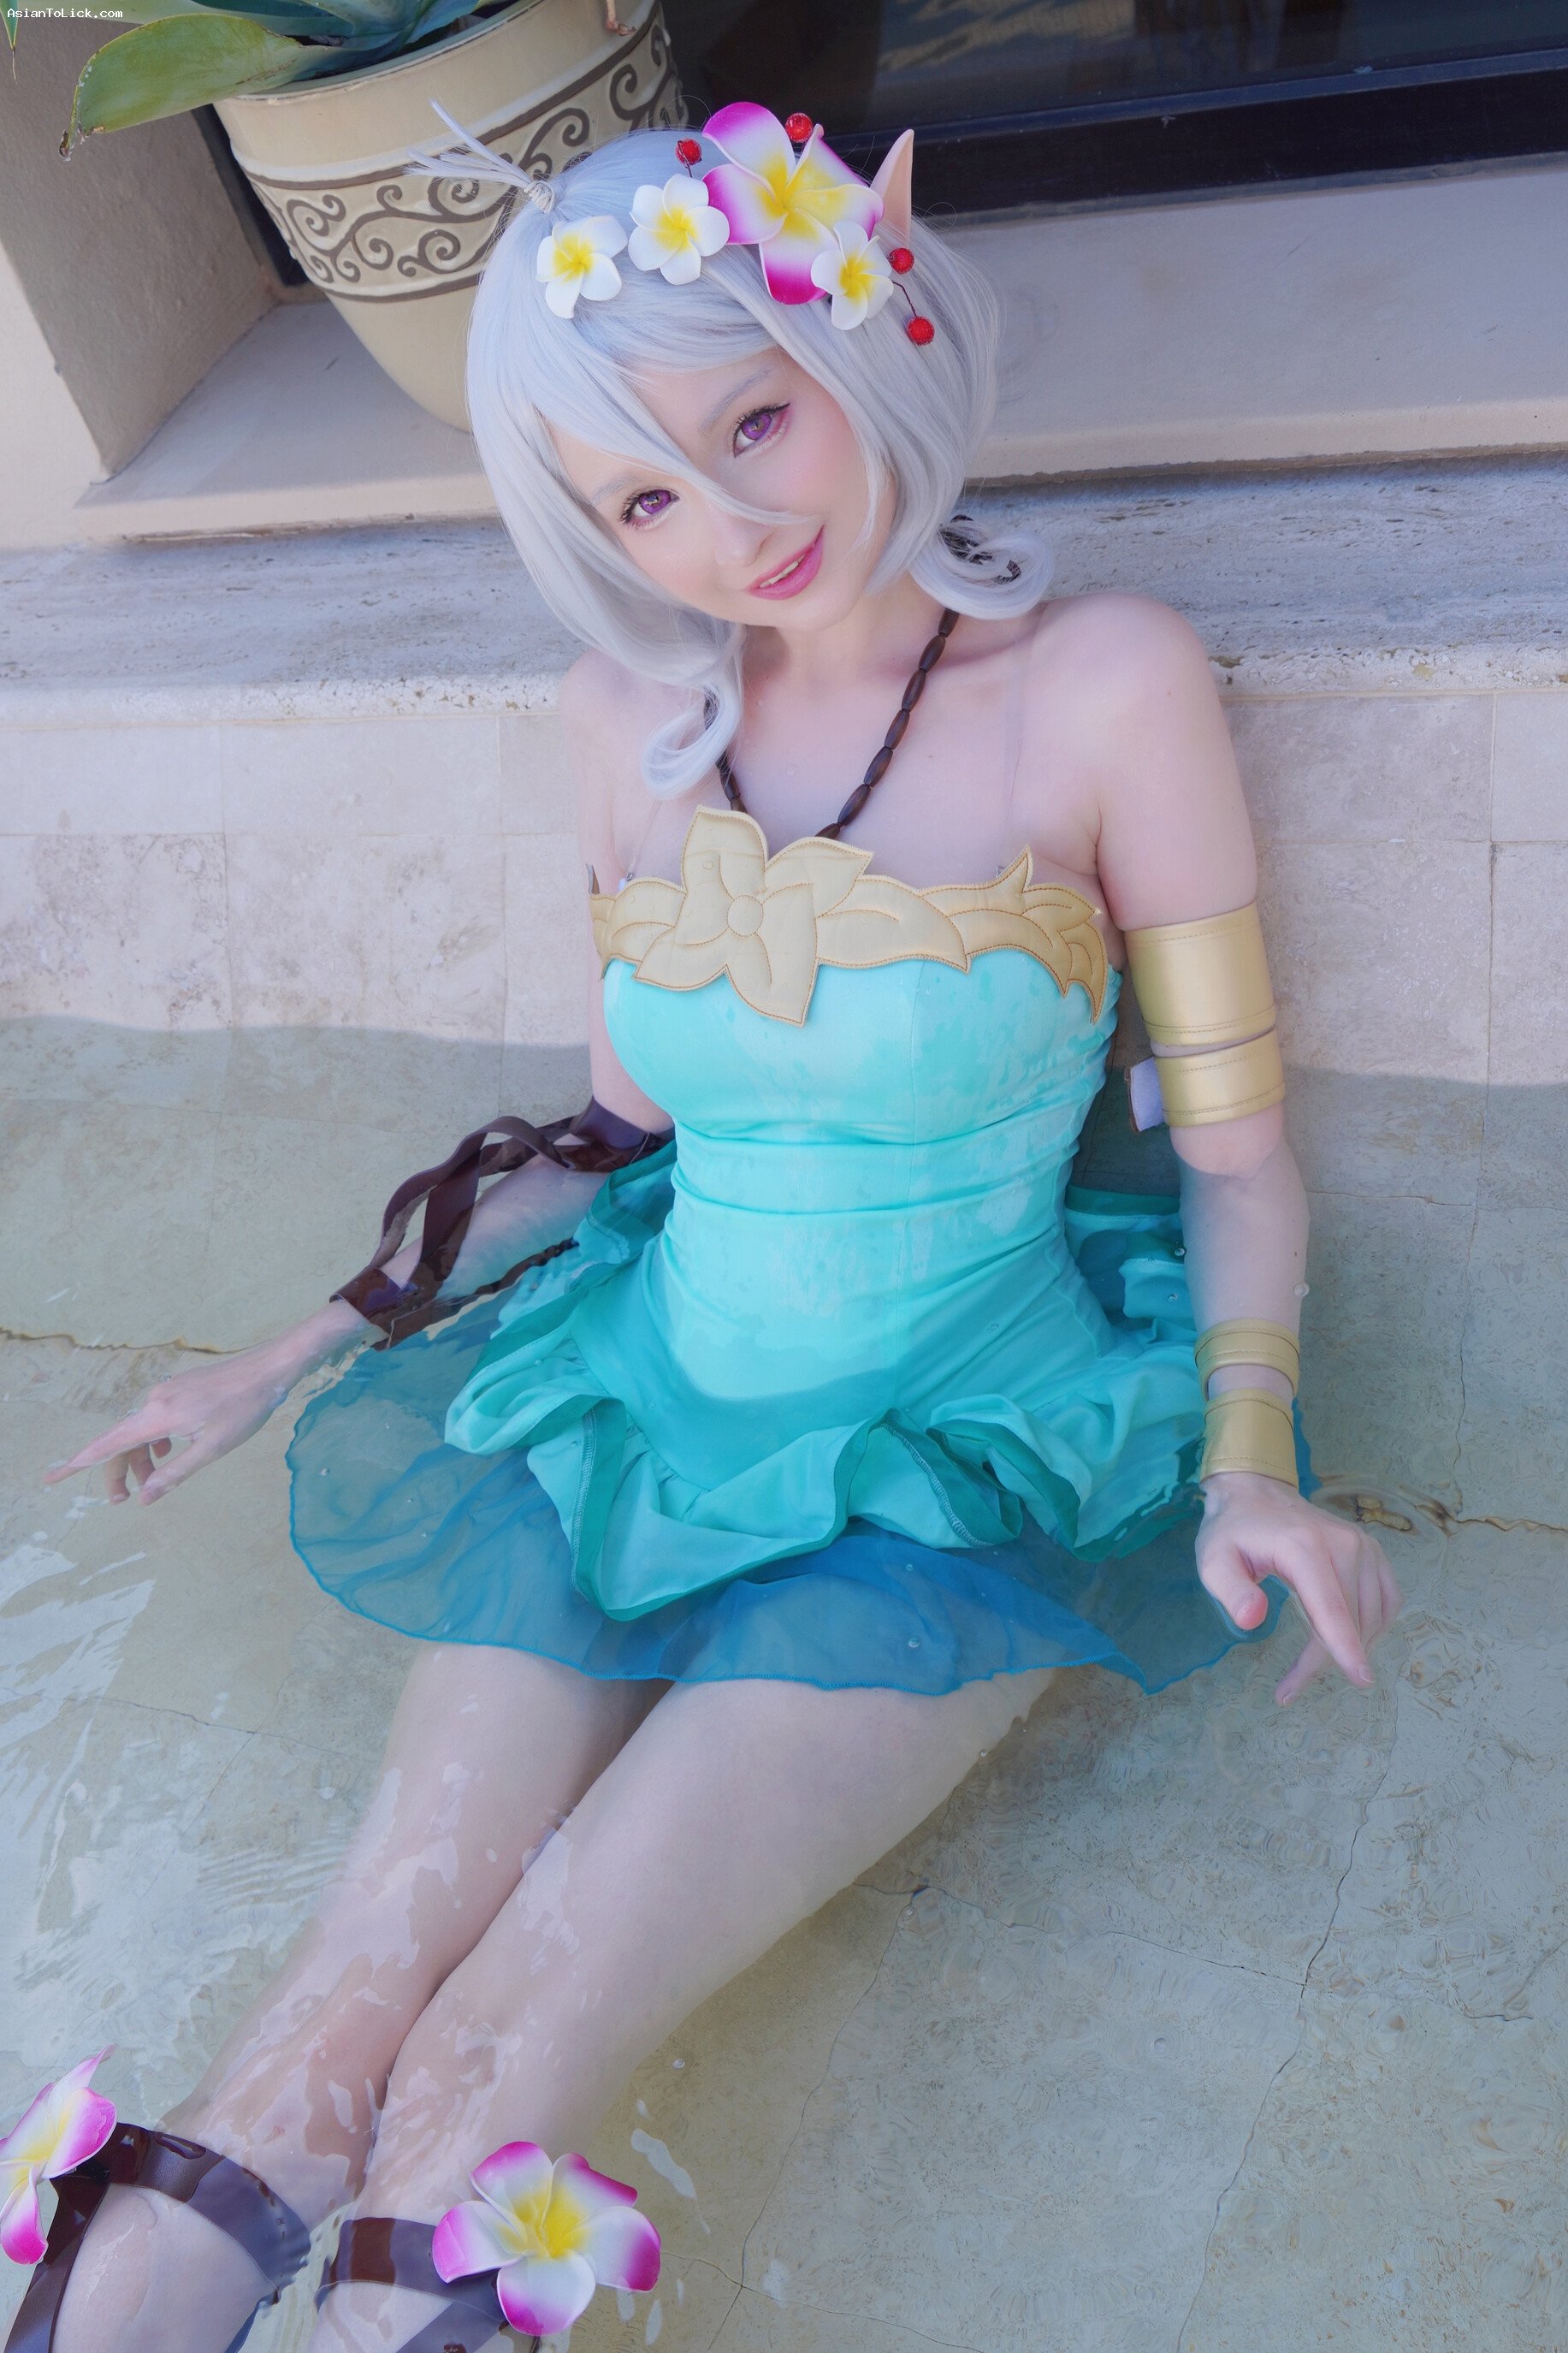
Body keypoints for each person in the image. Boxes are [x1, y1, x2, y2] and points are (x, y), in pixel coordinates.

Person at [18, 104, 1399, 2353]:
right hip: (638, 1407)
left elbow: (1238, 1156)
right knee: (315, 2042)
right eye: (644, 495)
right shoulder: (623, 719)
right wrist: (284, 1349)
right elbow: (607, 1134)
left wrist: (1246, 1460)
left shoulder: (1103, 680)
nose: (734, 525)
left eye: (753, 420)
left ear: (868, 323)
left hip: (956, 1457)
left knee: (489, 2083)